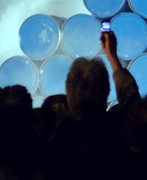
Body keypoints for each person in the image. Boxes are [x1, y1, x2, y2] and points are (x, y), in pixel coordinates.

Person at [42, 29, 140, 179]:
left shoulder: (50, 138)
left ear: (68, 93)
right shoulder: (119, 128)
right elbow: (131, 98)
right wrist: (112, 57)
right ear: (107, 91)